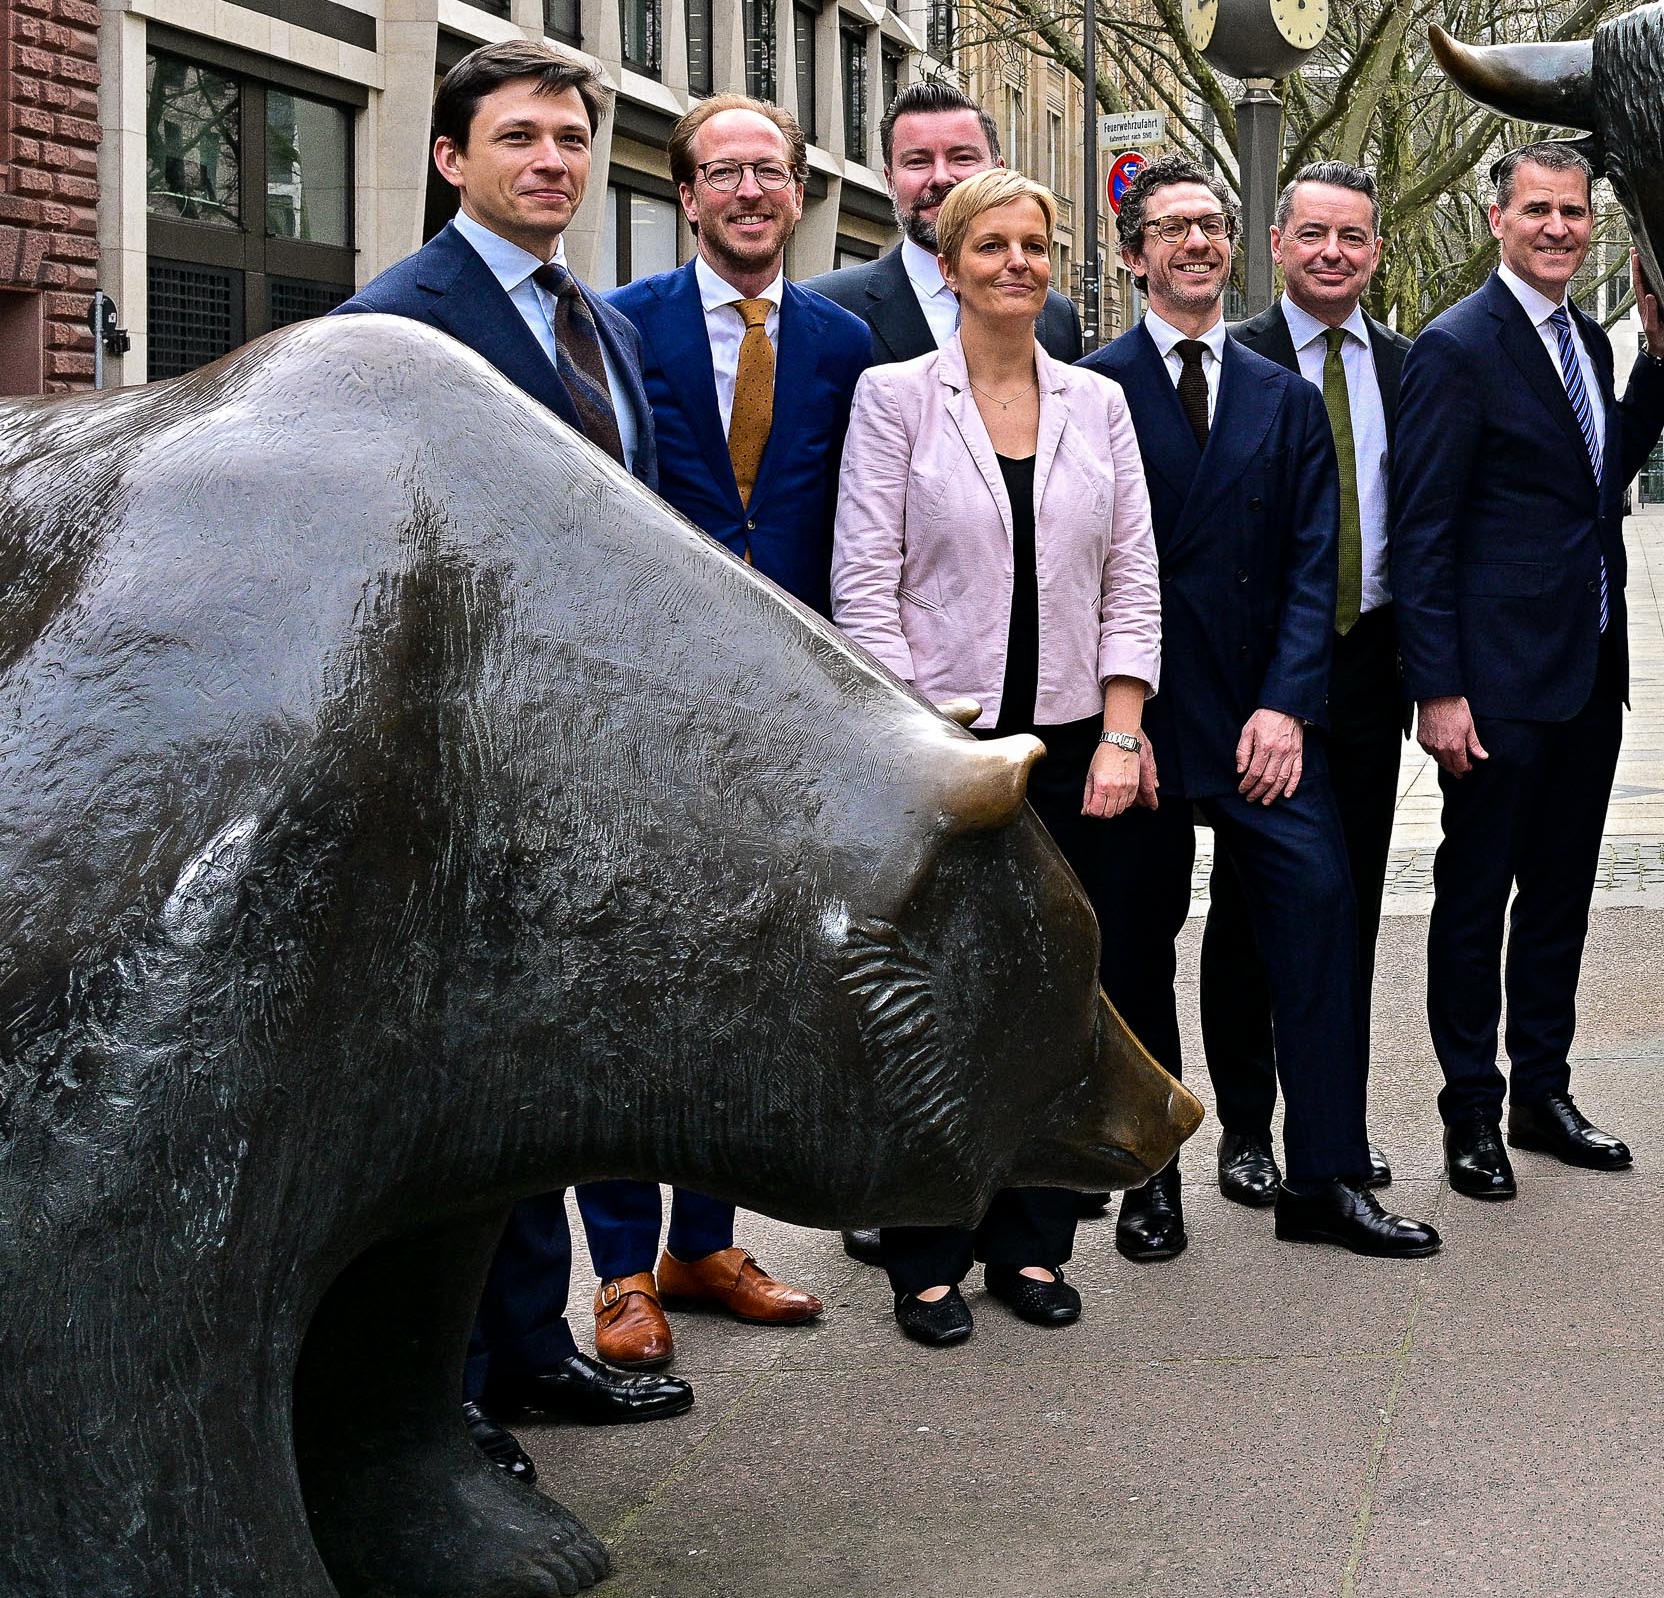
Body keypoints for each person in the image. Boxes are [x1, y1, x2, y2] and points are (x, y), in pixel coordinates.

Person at [334, 38, 689, 1469]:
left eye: (571, 139)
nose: (553, 161)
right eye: (520, 137)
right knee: (456, 1086)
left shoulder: (598, 324)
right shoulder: (393, 329)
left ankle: (535, 1348)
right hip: (461, 765)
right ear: (450, 159)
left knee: (545, 1067)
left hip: (587, 760)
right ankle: (447, 1388)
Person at [830, 169, 1162, 1346]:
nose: (1016, 264)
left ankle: (1031, 1243)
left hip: (1073, 751)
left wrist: (1121, 729)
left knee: (1050, 1001)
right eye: (991, 246)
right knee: (936, 1003)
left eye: (1033, 245)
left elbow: (1132, 578)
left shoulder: (1097, 404)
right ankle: (925, 1254)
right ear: (950, 264)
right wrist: (913, 741)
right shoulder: (894, 400)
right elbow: (864, 587)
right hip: (943, 750)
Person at [1083, 158, 1434, 1261]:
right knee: (1133, 951)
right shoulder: (1091, 389)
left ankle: (1325, 1175)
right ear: (1133, 255)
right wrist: (1119, 725)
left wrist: (1285, 706)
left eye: (1211, 225)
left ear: (1235, 246)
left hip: (1259, 722)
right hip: (1141, 722)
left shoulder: (1280, 396)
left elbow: (1311, 563)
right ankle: (1149, 1180)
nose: (1196, 243)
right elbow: (1083, 572)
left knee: (1320, 913)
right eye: (1171, 228)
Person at [580, 91, 872, 1368]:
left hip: (790, 709)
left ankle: (703, 1245)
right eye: (725, 172)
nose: (750, 192)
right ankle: (618, 1269)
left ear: (799, 191)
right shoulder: (614, 327)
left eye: (771, 171)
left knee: (751, 983)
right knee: (627, 985)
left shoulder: (846, 341)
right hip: (645, 702)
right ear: (685, 192)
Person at [1391, 142, 1664, 1201]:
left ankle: (1541, 1094)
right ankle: (1470, 1111)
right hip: (1496, 688)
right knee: (1474, 903)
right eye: (1538, 211)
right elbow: (1421, 534)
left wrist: (1654, 366)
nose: (1558, 228)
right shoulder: (1455, 347)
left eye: (1573, 212)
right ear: (1497, 220)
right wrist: (1437, 690)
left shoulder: (1585, 340)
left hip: (1588, 674)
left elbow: (1594, 484)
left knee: (1559, 898)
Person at [1196, 162, 1408, 1210]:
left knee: (1346, 910)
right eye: (1313, 234)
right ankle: (1245, 1128)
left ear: (1376, 251)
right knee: (1248, 912)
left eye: (1352, 237)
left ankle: (1333, 1126)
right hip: (1258, 679)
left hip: (1366, 670)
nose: (1332, 253)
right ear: (1275, 243)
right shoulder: (1231, 361)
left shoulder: (1406, 367)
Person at [809, 79, 1086, 364]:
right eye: (917, 161)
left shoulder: (1058, 317)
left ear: (998, 172)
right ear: (890, 180)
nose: (941, 178)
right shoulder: (824, 310)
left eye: (962, 158)